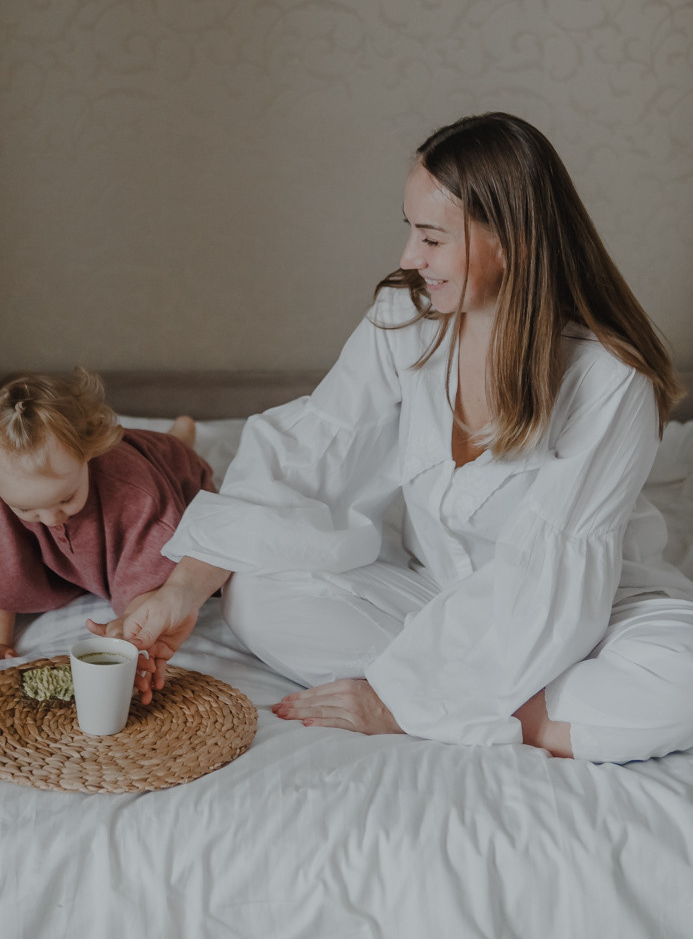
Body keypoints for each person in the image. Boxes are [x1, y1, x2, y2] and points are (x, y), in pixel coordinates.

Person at [90, 114, 693, 764]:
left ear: (510, 241)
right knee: (256, 592)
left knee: (679, 686)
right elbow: (307, 458)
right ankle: (498, 698)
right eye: (410, 230)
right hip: (437, 596)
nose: (409, 257)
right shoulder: (405, 317)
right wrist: (180, 591)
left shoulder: (609, 378)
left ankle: (501, 712)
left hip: (596, 609)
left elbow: (547, 575)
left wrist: (399, 704)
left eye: (431, 238)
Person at [0, 368, 214, 678]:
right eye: (27, 509)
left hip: (160, 464)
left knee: (171, 452)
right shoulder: (3, 491)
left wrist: (130, 623)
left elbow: (152, 568)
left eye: (66, 499)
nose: (50, 519)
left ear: (89, 454)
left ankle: (181, 437)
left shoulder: (137, 496)